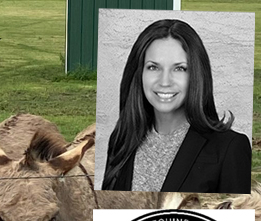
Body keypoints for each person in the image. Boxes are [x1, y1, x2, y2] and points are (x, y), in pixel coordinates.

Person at [102, 19, 250, 194]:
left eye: (179, 68)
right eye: (153, 67)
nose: (165, 81)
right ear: (139, 73)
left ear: (196, 74)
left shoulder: (230, 149)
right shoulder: (121, 140)